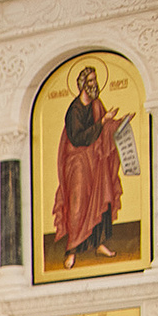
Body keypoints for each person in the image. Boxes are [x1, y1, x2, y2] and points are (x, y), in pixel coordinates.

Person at [54, 64, 126, 268]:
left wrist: (118, 123)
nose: (95, 84)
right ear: (83, 84)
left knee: (102, 195)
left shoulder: (96, 105)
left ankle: (99, 243)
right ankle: (72, 251)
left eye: (95, 80)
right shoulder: (74, 110)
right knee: (77, 205)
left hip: (95, 159)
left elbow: (104, 130)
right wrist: (103, 121)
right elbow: (77, 138)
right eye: (92, 81)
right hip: (76, 162)